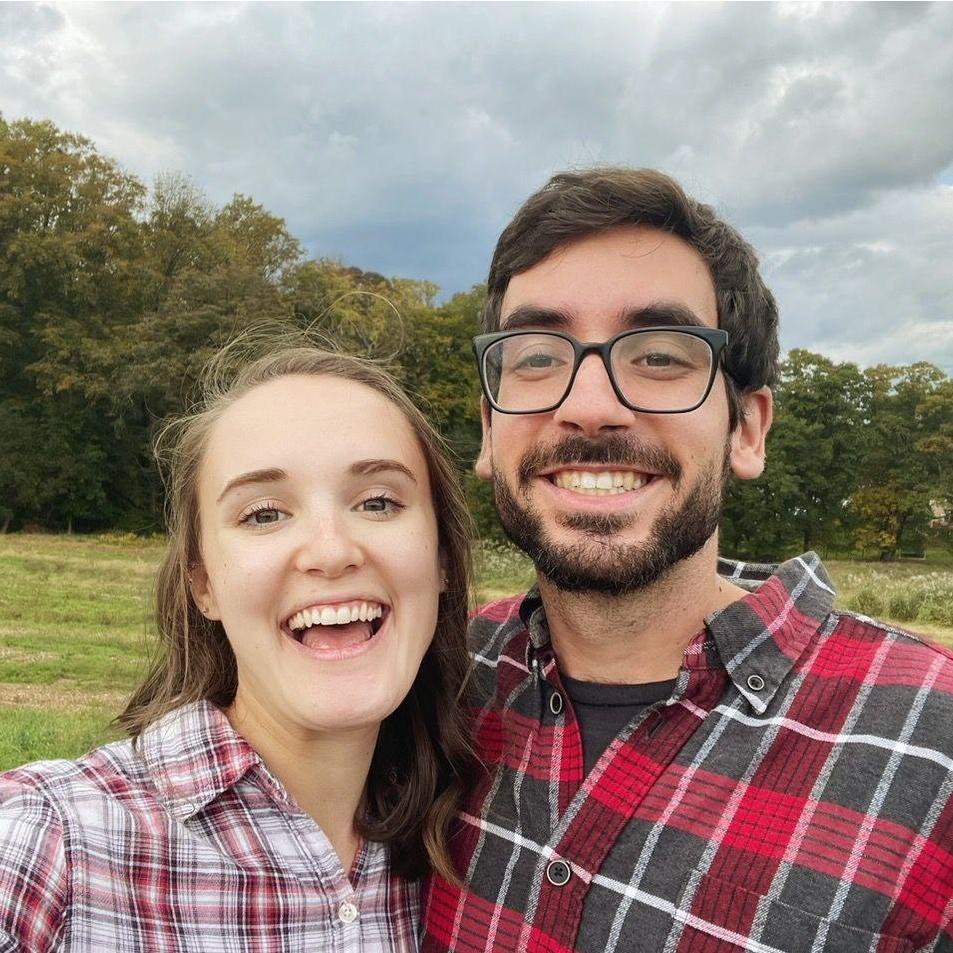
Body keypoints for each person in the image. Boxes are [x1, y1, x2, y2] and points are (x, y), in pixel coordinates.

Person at [422, 168, 953, 952]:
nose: (591, 404)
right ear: (488, 431)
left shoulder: (931, 742)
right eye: (534, 356)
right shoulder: (430, 686)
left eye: (661, 356)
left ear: (746, 429)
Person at [0, 341, 477, 951]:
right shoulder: (48, 844)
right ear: (204, 584)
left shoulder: (470, 852)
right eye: (264, 514)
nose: (331, 551)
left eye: (378, 502)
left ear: (440, 559)